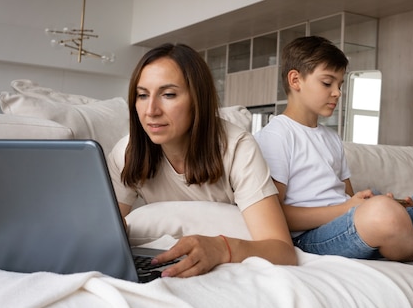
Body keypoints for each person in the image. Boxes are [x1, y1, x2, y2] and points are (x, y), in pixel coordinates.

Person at [254, 35, 413, 278]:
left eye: (340, 85)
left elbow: (346, 196)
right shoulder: (276, 136)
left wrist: (369, 202)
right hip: (312, 237)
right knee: (383, 213)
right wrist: (356, 208)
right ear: (295, 80)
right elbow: (276, 214)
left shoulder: (331, 138)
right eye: (327, 83)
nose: (337, 93)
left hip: (347, 222)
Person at [108, 43, 297, 278]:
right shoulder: (127, 152)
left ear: (198, 99)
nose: (151, 110)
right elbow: (109, 229)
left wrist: (222, 248)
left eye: (168, 94)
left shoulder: (237, 147)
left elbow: (283, 251)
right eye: (142, 95)